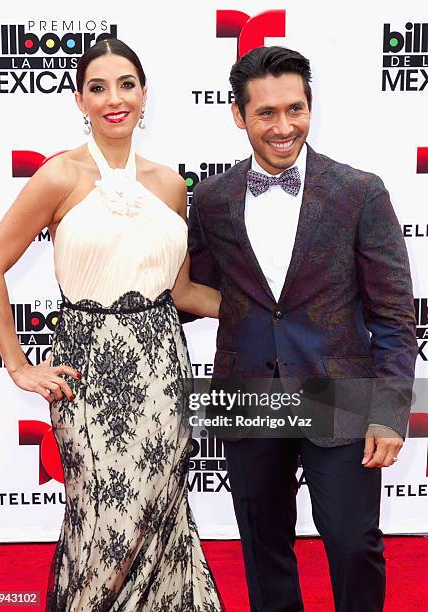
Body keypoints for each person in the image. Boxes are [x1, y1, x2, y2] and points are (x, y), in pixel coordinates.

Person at [0, 38, 223, 611]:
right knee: (104, 516)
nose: (115, 99)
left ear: (143, 94)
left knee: (161, 514)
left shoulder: (169, 184)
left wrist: (267, 309)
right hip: (88, 370)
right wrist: (17, 364)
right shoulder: (59, 176)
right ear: (80, 100)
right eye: (98, 87)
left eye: (127, 84)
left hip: (163, 369)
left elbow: (181, 290)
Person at [186, 46, 417, 611]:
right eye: (266, 113)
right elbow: (193, 295)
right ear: (239, 116)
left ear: (310, 108)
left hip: (337, 392)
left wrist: (388, 413)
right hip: (248, 394)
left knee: (352, 542)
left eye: (296, 109)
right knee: (264, 549)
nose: (283, 126)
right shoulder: (211, 200)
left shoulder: (358, 192)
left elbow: (393, 314)